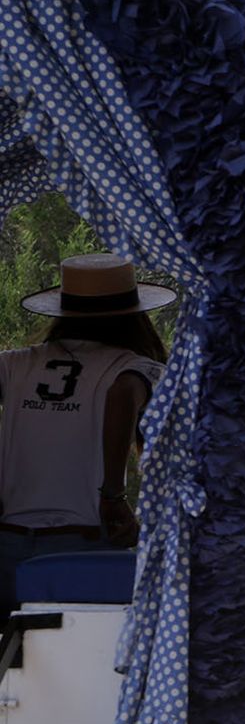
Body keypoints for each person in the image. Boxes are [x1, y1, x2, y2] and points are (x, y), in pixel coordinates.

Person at [0, 253, 173, 614]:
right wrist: (112, 494)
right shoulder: (137, 366)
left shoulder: (15, 363)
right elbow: (124, 393)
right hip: (83, 548)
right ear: (135, 315)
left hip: (8, 541)